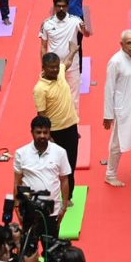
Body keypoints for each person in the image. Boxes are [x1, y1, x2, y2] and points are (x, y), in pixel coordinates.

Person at [14, 116, 72, 238]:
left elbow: (64, 180)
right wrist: (16, 208)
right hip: (28, 211)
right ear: (32, 133)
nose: (42, 136)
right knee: (29, 252)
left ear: (49, 132)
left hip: (52, 212)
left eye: (45, 132)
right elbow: (17, 183)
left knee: (50, 252)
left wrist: (64, 207)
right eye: (38, 132)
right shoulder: (21, 153)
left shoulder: (60, 152)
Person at [104, 30, 131, 187]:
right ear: (121, 44)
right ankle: (110, 174)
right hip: (122, 108)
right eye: (128, 43)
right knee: (118, 142)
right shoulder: (115, 62)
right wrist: (108, 115)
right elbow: (109, 89)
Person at [34, 49, 80, 199]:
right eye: (51, 67)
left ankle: (68, 196)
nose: (54, 70)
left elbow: (66, 63)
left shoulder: (60, 71)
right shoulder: (40, 89)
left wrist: (73, 50)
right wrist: (48, 136)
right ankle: (52, 194)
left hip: (71, 128)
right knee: (55, 166)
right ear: (43, 67)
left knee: (71, 164)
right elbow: (41, 115)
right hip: (55, 132)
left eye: (55, 66)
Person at [41, 0, 86, 111]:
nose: (61, 9)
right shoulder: (46, 24)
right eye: (58, 6)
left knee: (74, 98)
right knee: (54, 97)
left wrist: (85, 28)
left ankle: (74, 126)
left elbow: (87, 34)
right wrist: (43, 66)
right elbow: (43, 46)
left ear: (68, 7)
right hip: (53, 68)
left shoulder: (76, 21)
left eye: (64, 6)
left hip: (72, 66)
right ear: (54, 6)